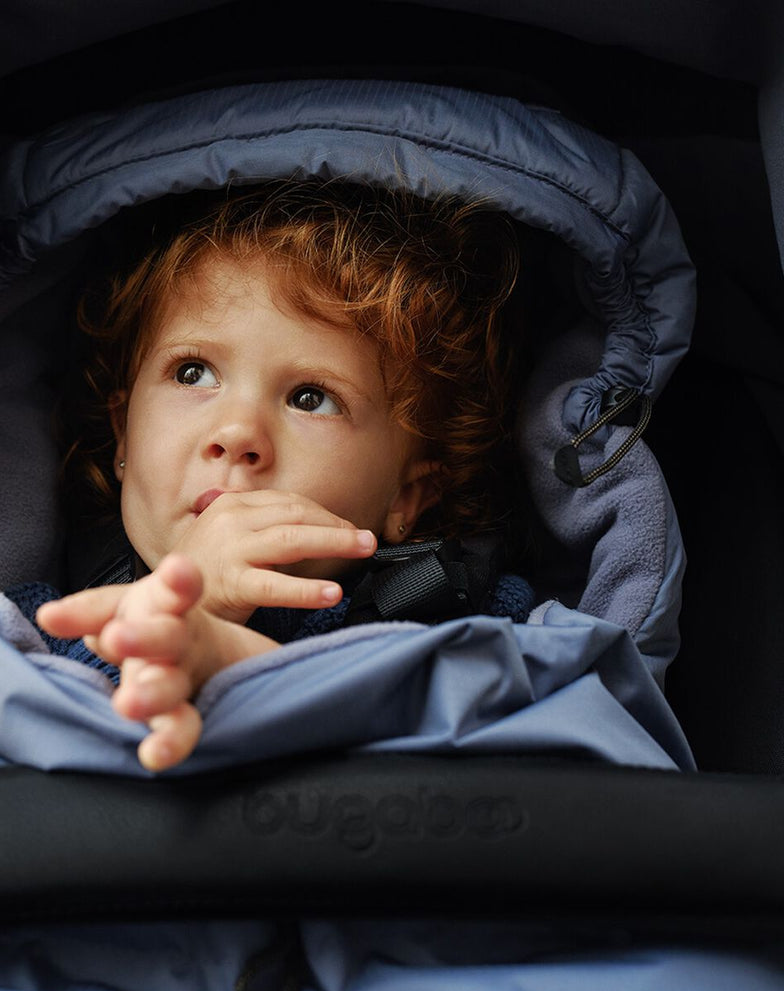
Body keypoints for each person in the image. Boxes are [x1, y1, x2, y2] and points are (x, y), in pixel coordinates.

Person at [32, 179, 524, 773]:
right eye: (192, 373)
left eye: (311, 398)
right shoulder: (40, 632)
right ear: (124, 437)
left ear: (407, 497)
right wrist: (180, 618)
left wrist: (252, 671)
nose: (238, 432)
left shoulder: (477, 622)